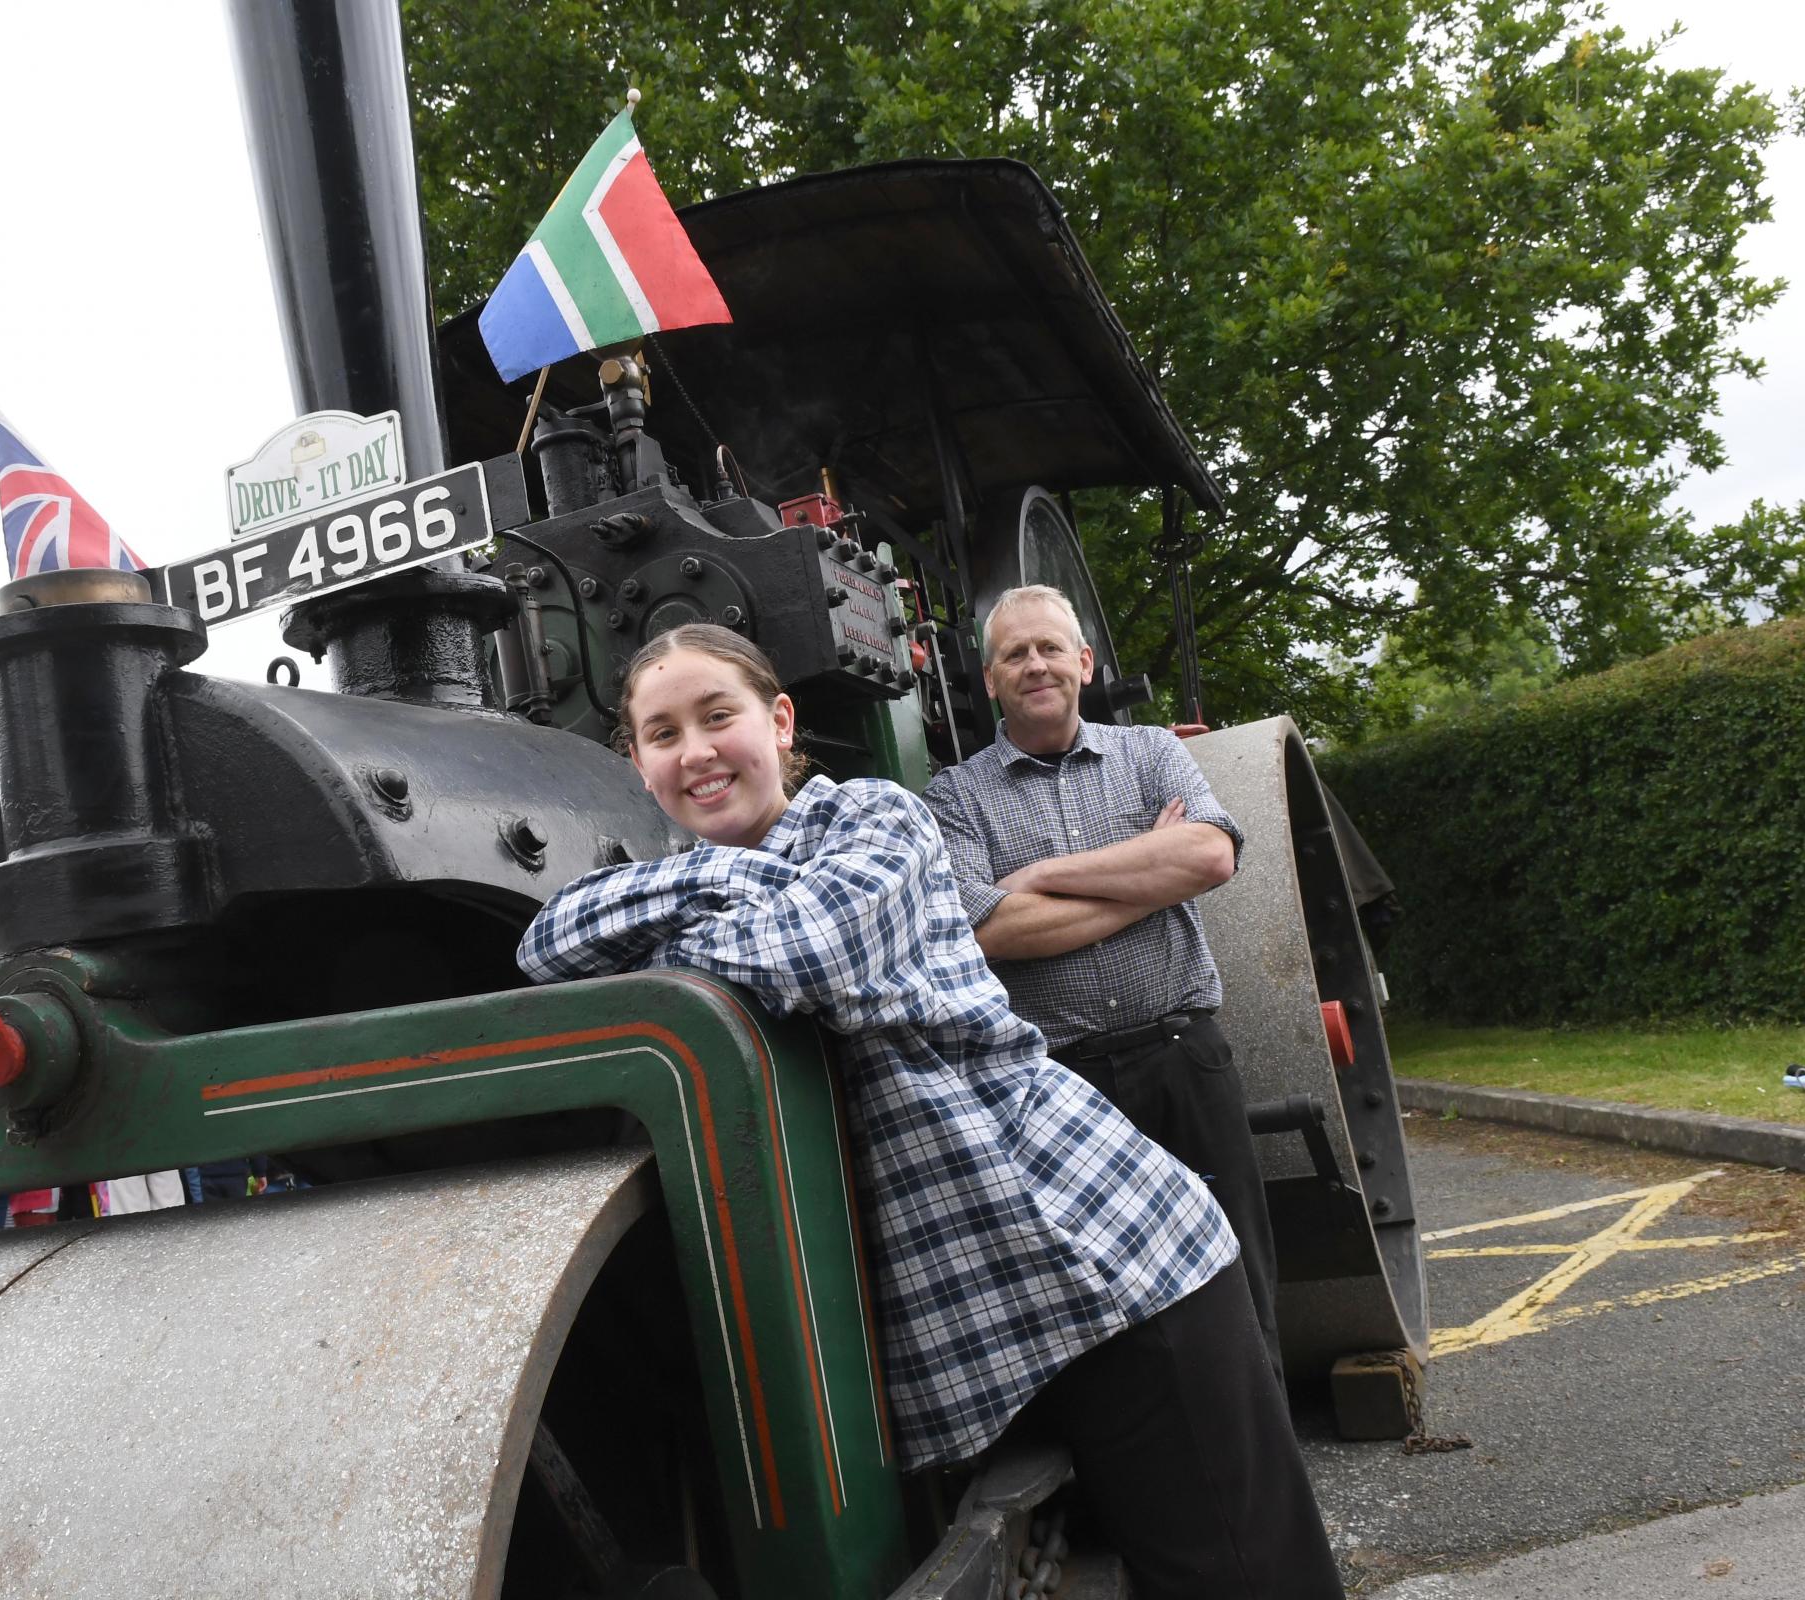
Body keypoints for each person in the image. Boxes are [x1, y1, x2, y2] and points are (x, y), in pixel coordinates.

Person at [516, 624, 1340, 1598]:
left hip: (1113, 1258)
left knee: (1241, 1579)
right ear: (637, 762)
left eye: (717, 716)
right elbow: (547, 943)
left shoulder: (881, 819)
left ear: (780, 722)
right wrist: (739, 883)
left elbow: (803, 954)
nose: (694, 751)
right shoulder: (734, 868)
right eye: (662, 733)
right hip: (1003, 1320)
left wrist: (682, 908)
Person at [923, 584, 1282, 1378]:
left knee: (1238, 1269)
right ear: (989, 680)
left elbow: (1211, 857)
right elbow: (985, 932)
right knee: (1104, 1295)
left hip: (1184, 1058)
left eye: (1050, 647)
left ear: (1083, 663)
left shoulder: (1151, 751)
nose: (1035, 664)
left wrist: (1041, 876)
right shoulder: (954, 794)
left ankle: (1273, 1461)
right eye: (1014, 653)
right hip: (1064, 1082)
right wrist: (1148, 879)